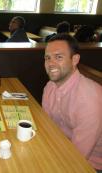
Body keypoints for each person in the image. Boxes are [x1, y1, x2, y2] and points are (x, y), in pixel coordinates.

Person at [42, 33, 102, 173]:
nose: (51, 63)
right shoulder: (50, 86)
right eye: (47, 58)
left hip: (90, 164)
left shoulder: (89, 99)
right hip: (62, 147)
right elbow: (47, 126)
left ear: (75, 59)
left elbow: (77, 158)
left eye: (59, 57)